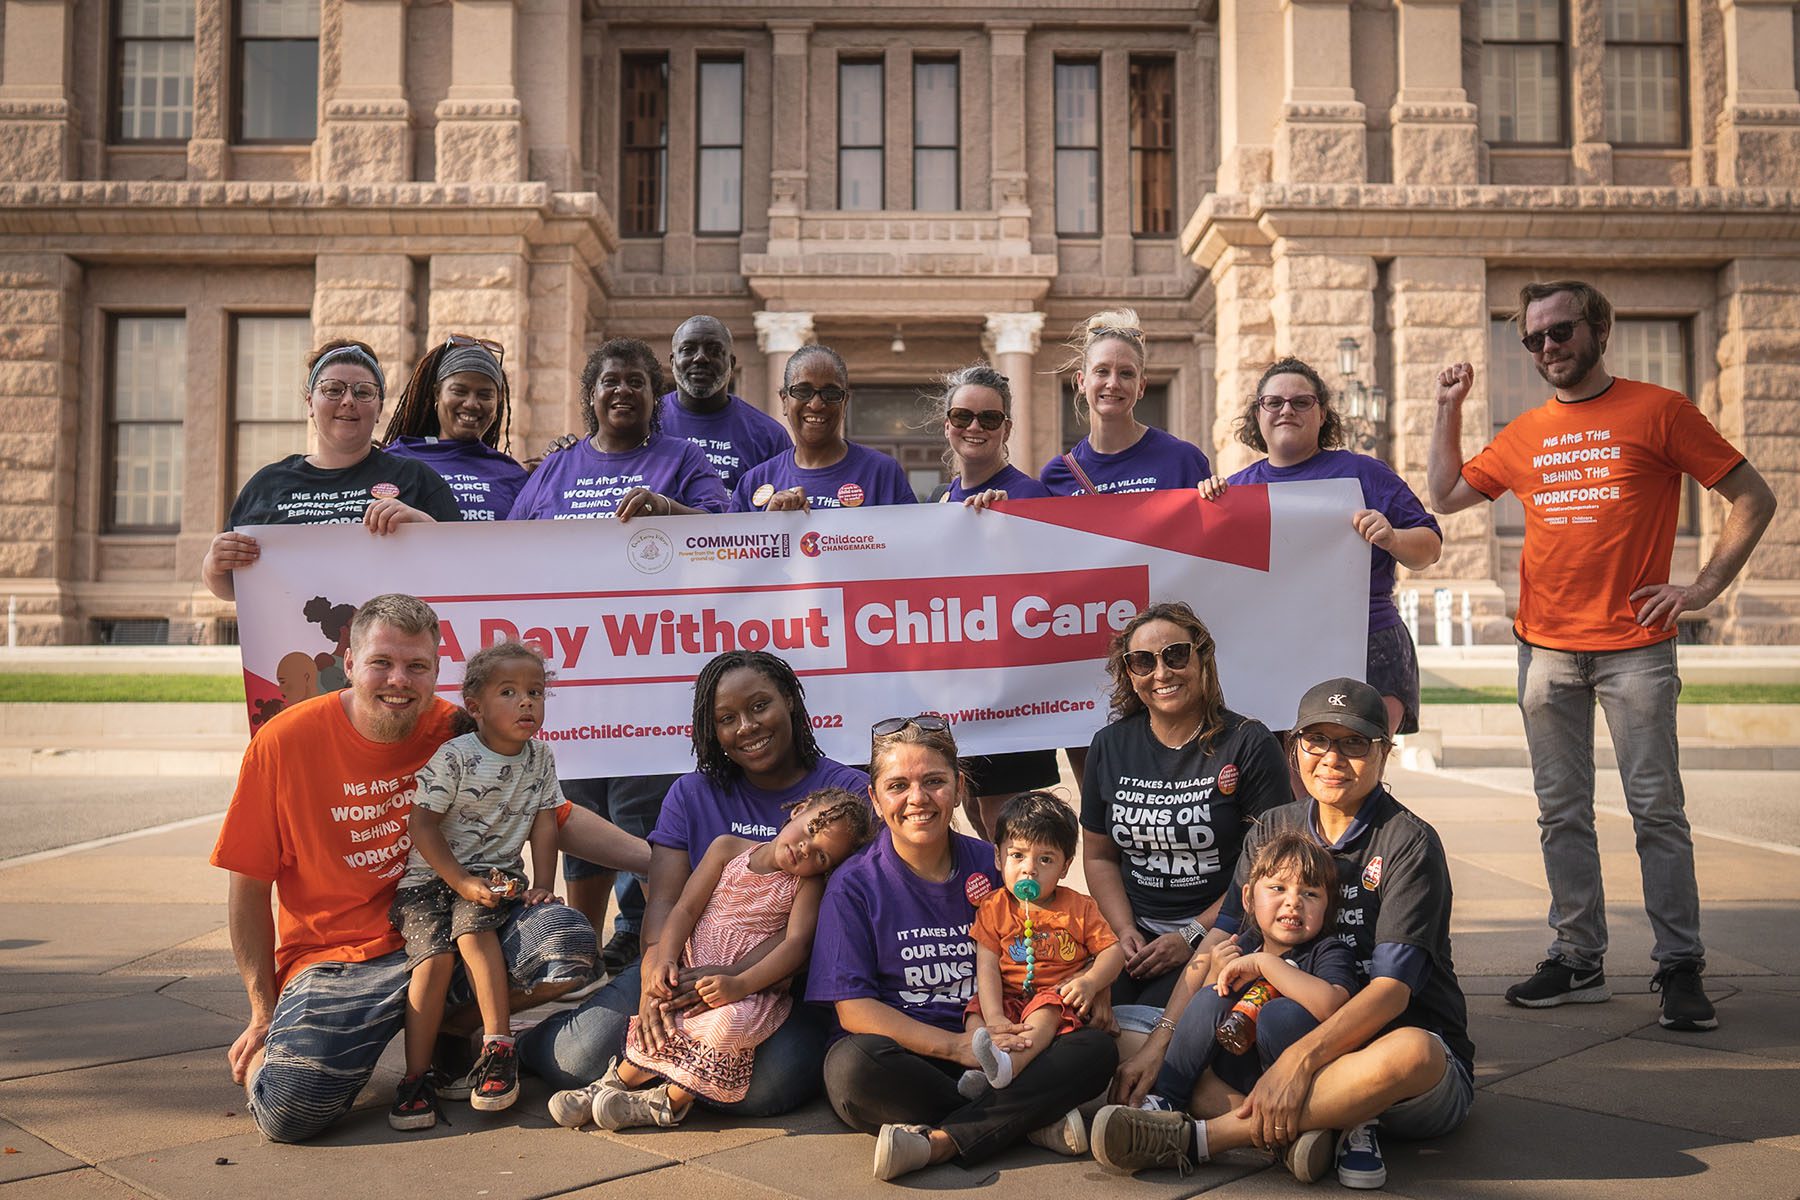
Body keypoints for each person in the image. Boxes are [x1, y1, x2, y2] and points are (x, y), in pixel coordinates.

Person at [1427, 279, 1776, 1032]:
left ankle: (1680, 966)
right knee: (1562, 815)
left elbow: (1754, 496)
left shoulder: (1661, 411)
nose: (1547, 348)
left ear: (1600, 329)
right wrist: (1449, 410)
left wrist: (1705, 586)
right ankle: (1578, 959)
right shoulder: (1524, 432)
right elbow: (1448, 494)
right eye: (1533, 340)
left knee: (1657, 812)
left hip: (1636, 652)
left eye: (1560, 333)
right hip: (1546, 652)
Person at [209, 593, 649, 1143]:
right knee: (289, 1113)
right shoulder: (282, 742)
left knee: (566, 944)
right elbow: (247, 890)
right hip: (337, 959)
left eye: (417, 666)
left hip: (455, 925)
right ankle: (296, 1056)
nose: (399, 680)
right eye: (382, 663)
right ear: (349, 663)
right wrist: (260, 1012)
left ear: (436, 671)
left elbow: (555, 814)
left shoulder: (456, 729)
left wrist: (655, 858)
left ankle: (451, 1023)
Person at [1096, 678, 1474, 1189]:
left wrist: (1301, 1061)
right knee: (1122, 1034)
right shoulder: (1273, 828)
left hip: (1379, 1062)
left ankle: (1204, 1138)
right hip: (1268, 1040)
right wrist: (1162, 1042)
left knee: (1415, 1053)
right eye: (1317, 740)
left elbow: (1391, 994)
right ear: (1294, 750)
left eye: (1354, 743)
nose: (1333, 758)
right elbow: (1216, 945)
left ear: (1384, 754)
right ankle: (1300, 1129)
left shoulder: (1408, 843)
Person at [521, 649, 870, 1116]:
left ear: (790, 700)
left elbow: (820, 931)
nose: (746, 726)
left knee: (767, 1088)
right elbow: (666, 902)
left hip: (782, 988)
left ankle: (667, 1087)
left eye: (760, 706)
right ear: (713, 731)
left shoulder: (846, 798)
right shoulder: (692, 794)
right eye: (727, 718)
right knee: (578, 1056)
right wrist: (652, 973)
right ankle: (527, 1045)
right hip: (682, 963)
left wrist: (738, 981)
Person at [810, 716, 1117, 1182]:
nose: (917, 799)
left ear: (958, 788)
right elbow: (853, 1010)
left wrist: (1096, 982)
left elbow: (1067, 930)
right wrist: (958, 1048)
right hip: (916, 1055)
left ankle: (943, 1138)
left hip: (1009, 1046)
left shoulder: (998, 863)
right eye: (898, 785)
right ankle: (1026, 1121)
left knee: (1095, 1051)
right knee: (850, 1070)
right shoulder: (853, 885)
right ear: (875, 798)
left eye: (934, 781)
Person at [508, 336, 730, 976]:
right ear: (591, 395)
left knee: (645, 815)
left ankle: (641, 946)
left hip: (652, 675)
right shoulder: (557, 469)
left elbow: (731, 532)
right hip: (571, 677)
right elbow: (507, 549)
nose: (623, 391)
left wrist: (669, 511)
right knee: (577, 813)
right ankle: (577, 948)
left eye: (637, 381)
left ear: (654, 394)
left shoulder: (681, 459)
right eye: (610, 381)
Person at [570, 788, 878, 1131]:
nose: (806, 850)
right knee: (663, 1009)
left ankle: (665, 1102)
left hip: (748, 989)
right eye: (809, 832)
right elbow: (685, 908)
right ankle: (610, 1083)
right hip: (691, 964)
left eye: (821, 857)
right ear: (799, 810)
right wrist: (666, 959)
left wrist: (738, 983)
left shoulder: (805, 886)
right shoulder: (727, 849)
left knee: (725, 1023)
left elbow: (796, 945)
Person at [1202, 357, 1442, 737]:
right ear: (1258, 414)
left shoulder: (1365, 474)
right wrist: (1205, 504)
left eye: (1301, 402)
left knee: (1352, 777)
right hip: (1273, 651)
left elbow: (1429, 548)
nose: (1286, 410)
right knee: (1290, 782)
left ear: (1323, 412)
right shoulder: (1236, 491)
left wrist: (1393, 537)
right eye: (1273, 402)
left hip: (1367, 647)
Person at [387, 640, 564, 1129]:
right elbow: (421, 825)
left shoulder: (540, 758)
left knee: (473, 932)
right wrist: (459, 880)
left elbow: (546, 823)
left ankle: (497, 1048)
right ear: (475, 707)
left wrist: (543, 883)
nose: (527, 702)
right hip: (429, 882)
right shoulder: (456, 757)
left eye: (536, 692)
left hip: (493, 879)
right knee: (434, 961)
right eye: (508, 692)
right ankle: (417, 1078)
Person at [1082, 602, 1288, 1007]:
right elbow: (1099, 856)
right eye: (1142, 661)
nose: (1161, 673)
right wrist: (1123, 930)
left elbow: (1268, 871)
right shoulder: (1109, 745)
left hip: (1223, 933)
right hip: (1133, 938)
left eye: (1175, 655)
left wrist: (1191, 934)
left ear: (1203, 657)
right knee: (1084, 1015)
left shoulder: (1249, 742)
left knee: (1148, 1025)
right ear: (1129, 672)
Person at [1099, 830, 1356, 1140]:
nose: (1293, 903)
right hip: (1237, 1069)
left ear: (1328, 908)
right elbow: (1202, 1015)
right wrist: (1215, 975)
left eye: (1310, 894)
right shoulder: (1242, 944)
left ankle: (1300, 1125)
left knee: (1278, 1013)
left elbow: (1334, 1006)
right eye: (1277, 888)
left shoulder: (1327, 950)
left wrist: (1265, 964)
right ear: (1247, 898)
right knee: (1208, 998)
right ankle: (1165, 1099)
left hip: (1295, 1075)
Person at [203, 340, 460, 601]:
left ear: (379, 407)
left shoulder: (416, 478)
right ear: (310, 404)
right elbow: (234, 588)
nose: (348, 401)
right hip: (291, 641)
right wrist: (213, 565)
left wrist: (424, 527)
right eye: (333, 390)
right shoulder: (268, 484)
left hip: (390, 641)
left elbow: (464, 570)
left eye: (363, 392)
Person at [928, 363, 1061, 839]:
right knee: (974, 807)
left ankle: (1030, 910)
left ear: (1007, 427)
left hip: (1011, 688)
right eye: (963, 416)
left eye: (989, 418)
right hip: (961, 687)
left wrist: (1010, 531)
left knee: (1009, 822)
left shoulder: (1028, 494)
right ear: (947, 424)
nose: (974, 428)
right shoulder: (940, 501)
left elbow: (1050, 591)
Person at [962, 790, 1124, 1096]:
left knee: (1048, 1007)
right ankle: (980, 1067)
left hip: (1054, 998)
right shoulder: (993, 906)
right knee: (974, 1012)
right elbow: (986, 968)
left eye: (1045, 859)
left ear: (1065, 867)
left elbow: (1113, 953)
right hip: (1008, 997)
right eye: (1017, 855)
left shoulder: (1079, 907)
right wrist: (994, 1017)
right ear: (998, 857)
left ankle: (1010, 1066)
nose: (1029, 868)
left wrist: (1090, 982)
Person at [1039, 309, 1210, 497]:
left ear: (1141, 387)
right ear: (1082, 382)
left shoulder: (1182, 460)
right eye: (1102, 371)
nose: (1113, 384)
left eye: (1126, 373)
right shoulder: (1057, 475)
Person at [730, 345, 918, 511]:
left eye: (831, 393)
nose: (816, 404)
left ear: (845, 402)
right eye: (803, 391)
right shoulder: (754, 482)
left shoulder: (881, 472)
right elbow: (733, 548)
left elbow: (910, 544)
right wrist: (771, 527)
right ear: (784, 401)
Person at [379, 333, 528, 521]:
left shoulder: (513, 475)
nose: (471, 404)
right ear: (437, 395)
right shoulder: (394, 460)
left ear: (497, 402)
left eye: (485, 395)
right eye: (459, 391)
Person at [659, 315, 791, 490]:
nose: (700, 358)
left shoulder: (768, 436)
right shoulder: (645, 423)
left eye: (714, 350)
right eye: (688, 349)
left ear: (731, 362)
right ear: (672, 361)